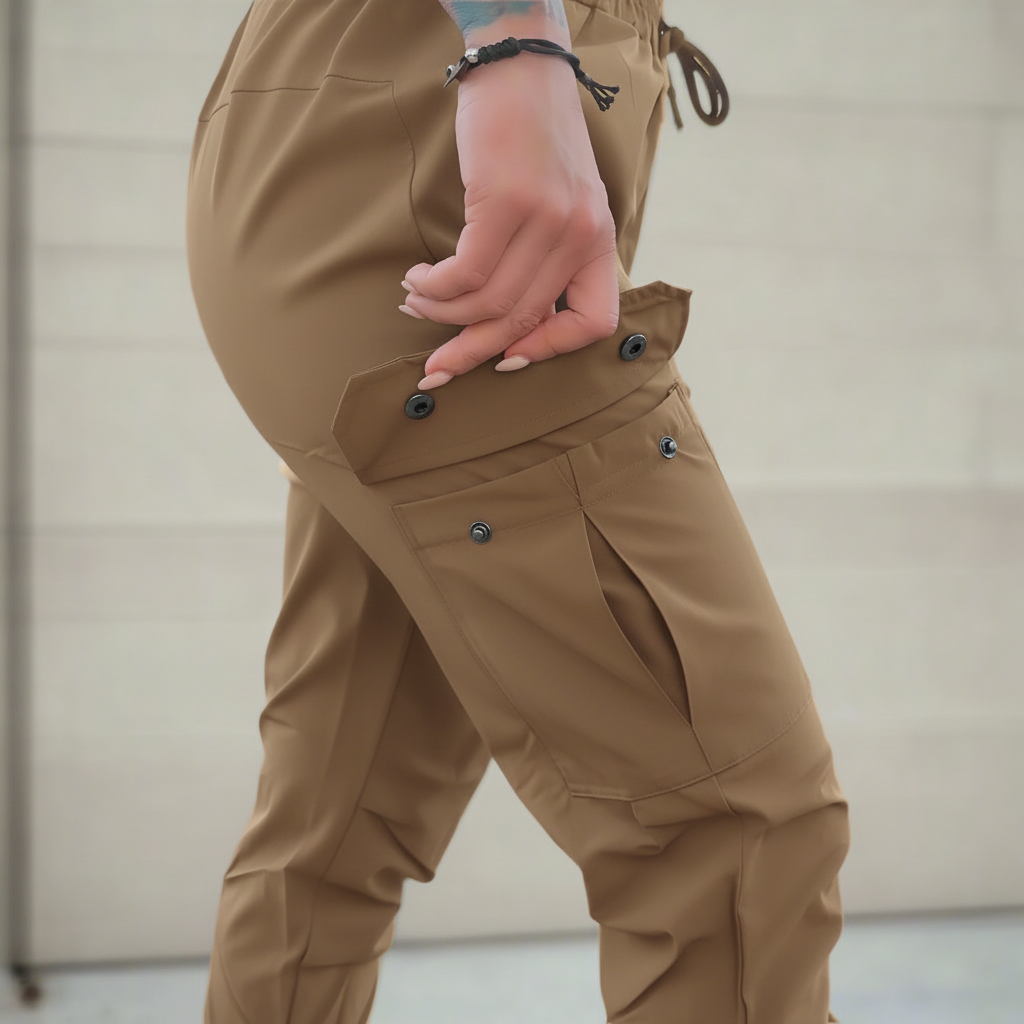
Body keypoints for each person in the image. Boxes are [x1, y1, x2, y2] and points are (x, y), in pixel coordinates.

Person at [185, 0, 850, 1021]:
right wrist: (512, 33)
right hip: (421, 150)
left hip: (348, 139)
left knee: (335, 820)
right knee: (732, 833)